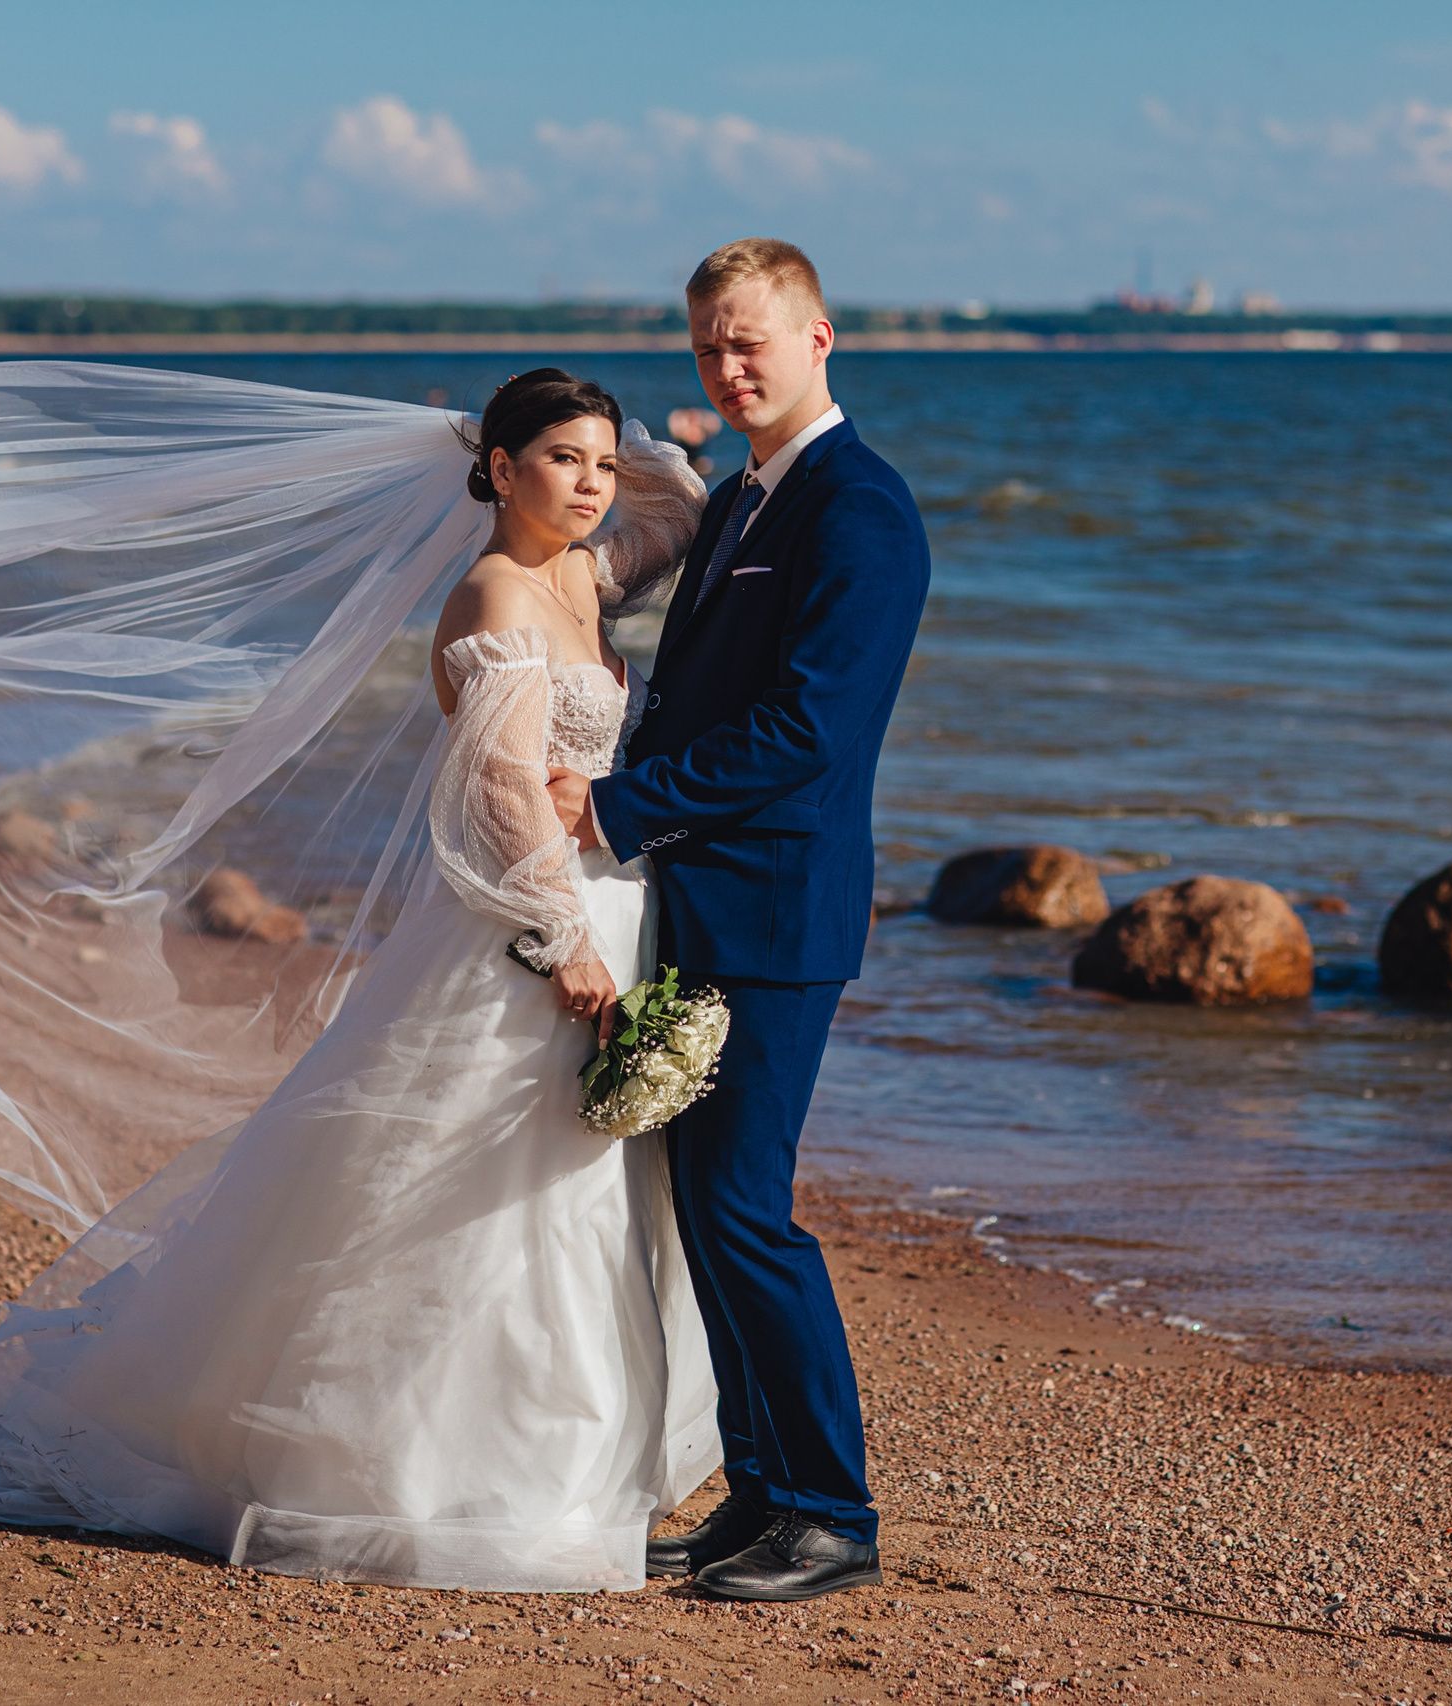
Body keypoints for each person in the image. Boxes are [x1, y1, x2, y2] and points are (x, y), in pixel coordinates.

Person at [0, 368, 724, 1593]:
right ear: (500, 467)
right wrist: (561, 939)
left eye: (599, 464)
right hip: (529, 934)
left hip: (605, 914)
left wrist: (668, 452)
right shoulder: (498, 593)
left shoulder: (581, 571)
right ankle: (412, 1473)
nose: (589, 485)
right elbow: (503, 792)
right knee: (467, 1178)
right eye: (561, 459)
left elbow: (672, 521)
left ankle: (557, 1463)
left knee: (568, 1186)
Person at [545, 238, 931, 1602]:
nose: (730, 364)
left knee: (749, 1211)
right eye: (711, 344)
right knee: (706, 1210)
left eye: (753, 339)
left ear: (822, 337)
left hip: (778, 909)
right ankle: (760, 1494)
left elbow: (812, 729)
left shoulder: (858, 512)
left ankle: (833, 1507)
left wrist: (617, 805)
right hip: (701, 900)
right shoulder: (744, 502)